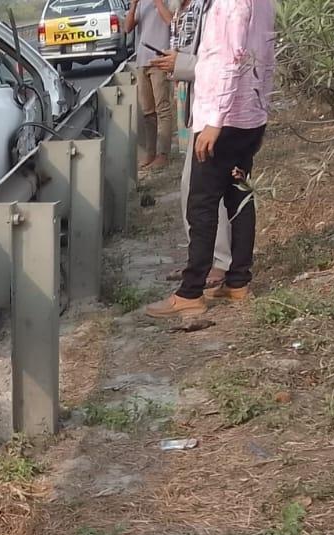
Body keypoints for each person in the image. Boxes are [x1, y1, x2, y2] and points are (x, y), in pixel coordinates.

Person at [146, 0, 275, 319]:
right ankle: (238, 282)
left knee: (201, 204)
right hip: (250, 114)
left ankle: (190, 292)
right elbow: (266, 56)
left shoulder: (230, 3)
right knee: (238, 196)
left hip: (224, 118)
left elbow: (230, 60)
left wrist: (214, 121)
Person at [152, 0, 229, 292]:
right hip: (203, 107)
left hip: (218, 113)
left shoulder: (222, 8)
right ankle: (201, 258)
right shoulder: (200, 7)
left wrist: (181, 63)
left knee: (208, 190)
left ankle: (218, 262)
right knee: (192, 188)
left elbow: (228, 63)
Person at [127, 0, 177, 171]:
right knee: (148, 112)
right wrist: (133, 5)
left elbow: (171, 21)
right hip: (142, 60)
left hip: (160, 59)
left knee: (162, 108)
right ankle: (150, 152)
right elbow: (127, 28)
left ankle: (163, 154)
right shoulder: (141, 4)